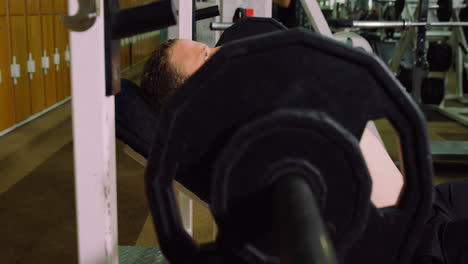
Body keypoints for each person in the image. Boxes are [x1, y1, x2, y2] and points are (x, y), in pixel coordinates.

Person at [141, 38, 468, 263]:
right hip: (414, 245)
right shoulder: (243, 148)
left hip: (427, 204)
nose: (223, 50)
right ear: (193, 97)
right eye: (207, 56)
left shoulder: (268, 96)